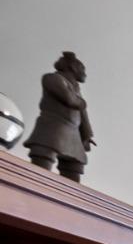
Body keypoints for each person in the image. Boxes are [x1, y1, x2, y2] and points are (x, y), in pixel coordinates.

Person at [25, 52, 94, 182]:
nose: (84, 73)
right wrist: (82, 102)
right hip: (52, 129)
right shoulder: (52, 79)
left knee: (74, 168)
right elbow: (69, 99)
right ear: (73, 67)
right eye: (82, 69)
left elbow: (83, 114)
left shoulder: (76, 88)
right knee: (40, 170)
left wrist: (86, 135)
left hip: (73, 134)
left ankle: (69, 200)